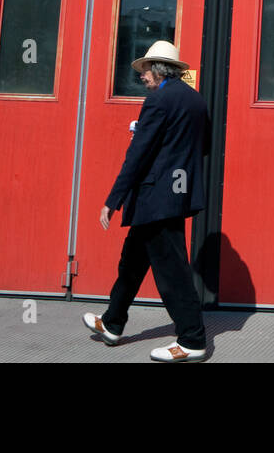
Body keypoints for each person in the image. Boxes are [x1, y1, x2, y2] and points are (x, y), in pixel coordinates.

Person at [82, 40, 210, 362]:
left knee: (172, 271)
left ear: (158, 69)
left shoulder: (158, 102)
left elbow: (137, 156)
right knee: (132, 262)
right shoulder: (195, 100)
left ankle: (192, 340)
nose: (142, 77)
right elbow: (203, 147)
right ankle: (112, 323)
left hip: (156, 197)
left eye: (146, 71)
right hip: (175, 193)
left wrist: (113, 199)